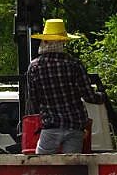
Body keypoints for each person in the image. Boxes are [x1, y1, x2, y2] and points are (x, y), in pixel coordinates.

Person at [26, 18, 104, 154]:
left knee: (42, 166)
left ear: (44, 42)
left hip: (51, 126)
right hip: (75, 126)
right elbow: (89, 96)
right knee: (71, 166)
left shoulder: (34, 67)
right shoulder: (74, 64)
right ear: (63, 42)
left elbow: (33, 99)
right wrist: (102, 96)